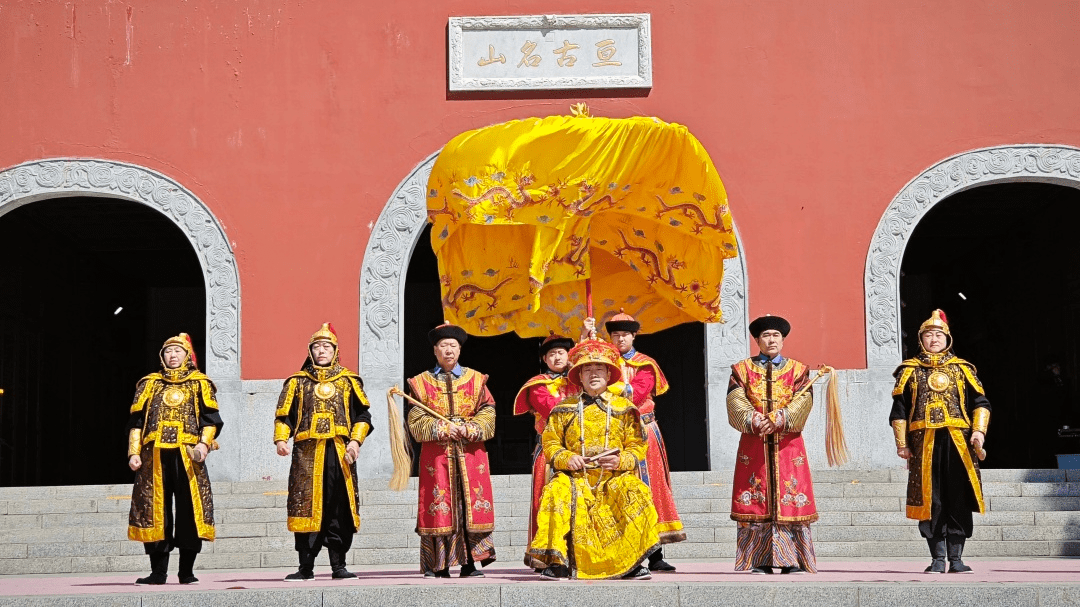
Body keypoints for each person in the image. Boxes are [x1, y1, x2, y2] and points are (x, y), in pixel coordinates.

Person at [525, 338, 659, 580]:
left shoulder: (625, 408)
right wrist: (567, 458)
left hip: (614, 476)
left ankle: (632, 562)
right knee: (556, 491)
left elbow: (637, 446)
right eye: (587, 369)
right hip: (575, 477)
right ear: (579, 375)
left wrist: (621, 462)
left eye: (599, 369)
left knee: (635, 491)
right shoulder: (563, 409)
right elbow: (551, 443)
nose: (594, 374)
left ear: (609, 374)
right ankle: (558, 562)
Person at [582, 311, 685, 571]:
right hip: (609, 432)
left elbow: (636, 394)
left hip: (642, 431)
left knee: (648, 488)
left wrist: (605, 385)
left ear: (634, 336)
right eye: (615, 335)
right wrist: (585, 338)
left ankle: (655, 555)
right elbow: (580, 376)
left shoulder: (645, 364)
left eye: (625, 335)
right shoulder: (601, 363)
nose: (620, 340)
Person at [890, 309, 989, 574]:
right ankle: (937, 558)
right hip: (924, 444)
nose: (934, 339)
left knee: (958, 497)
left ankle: (956, 559)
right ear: (921, 339)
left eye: (938, 335)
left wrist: (978, 432)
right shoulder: (909, 371)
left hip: (959, 443)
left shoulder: (962, 369)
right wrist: (902, 444)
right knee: (930, 499)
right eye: (928, 335)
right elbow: (899, 411)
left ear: (948, 338)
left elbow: (981, 403)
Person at [274, 323, 372, 581]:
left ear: (335, 351)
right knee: (305, 505)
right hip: (306, 454)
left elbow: (363, 416)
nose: (321, 350)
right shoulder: (297, 382)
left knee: (339, 506)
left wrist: (355, 442)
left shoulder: (348, 381)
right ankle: (305, 567)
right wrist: (281, 440)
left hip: (339, 453)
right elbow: (284, 416)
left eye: (326, 346)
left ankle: (339, 566)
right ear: (310, 351)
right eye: (317, 346)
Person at [127, 333, 222, 585]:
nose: (172, 355)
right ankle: (157, 572)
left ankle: (186, 571)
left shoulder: (200, 383)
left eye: (178, 351)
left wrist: (203, 445)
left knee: (190, 510)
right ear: (162, 356)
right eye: (168, 351)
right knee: (155, 511)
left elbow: (210, 420)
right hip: (154, 455)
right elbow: (137, 423)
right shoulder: (150, 383)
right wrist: (134, 452)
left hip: (187, 455)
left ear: (187, 355)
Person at [727, 315, 818, 574]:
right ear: (757, 340)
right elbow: (735, 400)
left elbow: (804, 401)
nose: (771, 340)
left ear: (783, 339)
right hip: (754, 444)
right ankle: (760, 560)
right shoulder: (741, 370)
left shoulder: (798, 371)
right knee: (756, 497)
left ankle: (793, 560)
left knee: (791, 497)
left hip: (788, 445)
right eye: (766, 335)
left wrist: (780, 419)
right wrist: (755, 420)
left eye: (776, 335)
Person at [407, 323, 497, 578]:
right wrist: (442, 428)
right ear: (435, 350)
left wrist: (471, 428)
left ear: (460, 350)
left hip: (470, 453)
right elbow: (415, 419)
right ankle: (439, 565)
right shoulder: (420, 383)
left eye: (453, 346)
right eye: (443, 346)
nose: (449, 350)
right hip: (437, 456)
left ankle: (469, 564)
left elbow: (488, 410)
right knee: (439, 505)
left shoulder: (476, 380)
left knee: (468, 504)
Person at [513, 332, 578, 547]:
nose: (557, 357)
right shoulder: (537, 385)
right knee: (546, 501)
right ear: (544, 359)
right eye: (552, 354)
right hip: (550, 451)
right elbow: (552, 410)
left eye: (561, 352)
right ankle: (547, 551)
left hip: (580, 450)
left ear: (569, 355)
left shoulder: (580, 380)